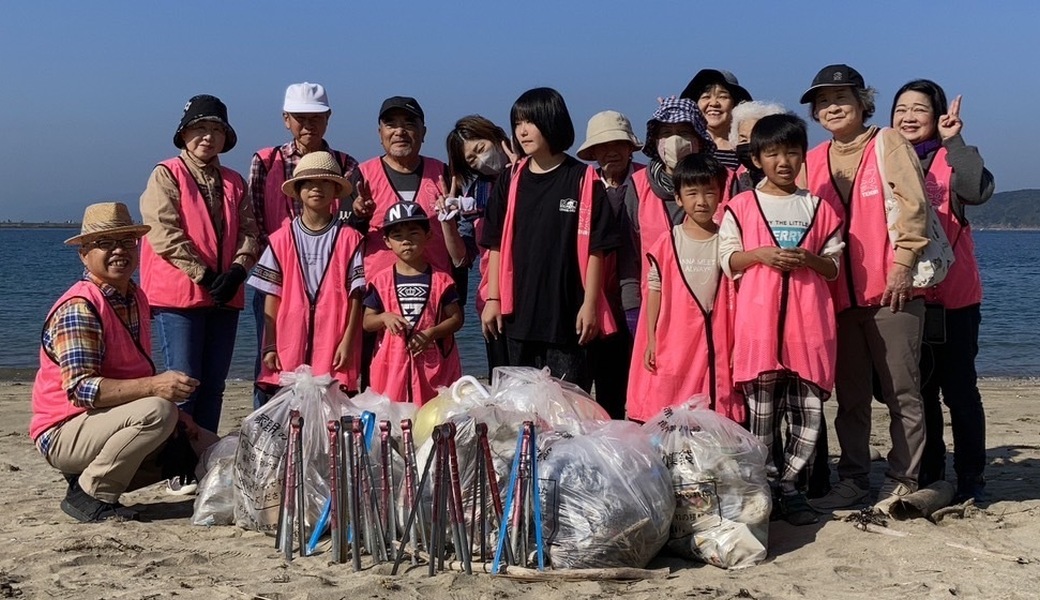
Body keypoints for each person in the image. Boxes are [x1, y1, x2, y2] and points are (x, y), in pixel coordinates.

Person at [800, 65, 931, 511]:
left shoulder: (887, 142)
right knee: (850, 397)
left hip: (892, 290)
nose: (831, 107)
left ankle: (902, 479)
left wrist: (902, 264)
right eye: (822, 102)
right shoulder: (813, 159)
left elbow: (914, 203)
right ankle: (853, 478)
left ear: (862, 103)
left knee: (901, 391)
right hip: (838, 297)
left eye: (841, 98)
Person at [31, 203, 211, 522]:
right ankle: (90, 493)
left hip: (104, 422)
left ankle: (87, 479)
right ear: (84, 254)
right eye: (106, 243)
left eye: (127, 242)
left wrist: (181, 421)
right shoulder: (80, 308)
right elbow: (82, 391)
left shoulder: (135, 296)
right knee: (158, 412)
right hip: (63, 429)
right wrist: (157, 388)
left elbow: (134, 372)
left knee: (205, 443)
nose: (119, 250)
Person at [720, 114, 844, 525]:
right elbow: (729, 259)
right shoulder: (741, 206)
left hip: (809, 327)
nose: (783, 161)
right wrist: (760, 255)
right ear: (756, 158)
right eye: (772, 153)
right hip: (758, 327)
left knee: (807, 415)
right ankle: (767, 486)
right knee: (762, 417)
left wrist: (809, 259)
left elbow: (834, 267)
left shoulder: (818, 208)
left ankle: (790, 486)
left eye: (791, 152)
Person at [891, 79, 994, 502]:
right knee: (921, 392)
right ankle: (932, 469)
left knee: (960, 390)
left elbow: (977, 191)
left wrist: (957, 141)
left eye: (919, 109)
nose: (909, 116)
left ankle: (971, 473)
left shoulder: (950, 160)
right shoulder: (886, 161)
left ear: (936, 118)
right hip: (908, 297)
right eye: (901, 109)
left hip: (954, 297)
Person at [480, 87, 620, 390]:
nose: (522, 131)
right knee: (518, 410)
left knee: (568, 412)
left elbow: (598, 248)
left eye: (530, 122)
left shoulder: (583, 179)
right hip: (518, 315)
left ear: (552, 121)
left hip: (567, 316)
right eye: (518, 123)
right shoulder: (510, 178)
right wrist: (493, 299)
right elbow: (494, 243)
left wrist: (591, 304)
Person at [140, 94, 259, 435]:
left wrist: (238, 270)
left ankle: (202, 455)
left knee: (214, 385)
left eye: (216, 130)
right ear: (184, 133)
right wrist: (203, 275)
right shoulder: (167, 174)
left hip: (225, 297)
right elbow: (163, 233)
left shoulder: (236, 181)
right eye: (200, 128)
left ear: (225, 137)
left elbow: (250, 231)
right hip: (180, 297)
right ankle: (176, 461)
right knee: (182, 382)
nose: (208, 137)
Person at [247, 82, 360, 408]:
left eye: (316, 117)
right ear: (286, 119)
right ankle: (270, 432)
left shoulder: (346, 164)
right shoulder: (266, 161)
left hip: (330, 282)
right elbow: (254, 220)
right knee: (271, 362)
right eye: (299, 118)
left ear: (328, 118)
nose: (307, 125)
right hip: (280, 274)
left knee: (331, 368)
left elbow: (352, 223)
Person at [350, 96, 465, 388]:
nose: (399, 131)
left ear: (424, 133)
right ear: (380, 133)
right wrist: (357, 215)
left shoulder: (444, 174)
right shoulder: (362, 176)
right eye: (391, 124)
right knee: (380, 387)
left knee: (437, 386)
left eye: (409, 124)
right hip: (380, 302)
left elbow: (464, 243)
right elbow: (345, 241)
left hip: (434, 301)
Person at [627, 155, 741, 423]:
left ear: (721, 194)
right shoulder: (668, 242)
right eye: (692, 193)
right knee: (670, 400)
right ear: (678, 198)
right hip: (674, 335)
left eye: (709, 192)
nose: (701, 201)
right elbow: (654, 289)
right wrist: (651, 338)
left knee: (711, 404)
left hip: (716, 337)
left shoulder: (729, 240)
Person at [575, 110, 644, 418]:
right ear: (593, 153)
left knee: (638, 375)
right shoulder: (582, 186)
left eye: (618, 143)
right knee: (594, 379)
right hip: (593, 295)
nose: (611, 151)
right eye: (603, 146)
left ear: (631, 147)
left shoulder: (648, 182)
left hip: (637, 292)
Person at [363, 202, 463, 404]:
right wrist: (384, 317)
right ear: (387, 242)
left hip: (432, 366)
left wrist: (432, 333)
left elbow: (456, 319)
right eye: (398, 236)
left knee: (432, 419)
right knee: (394, 423)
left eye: (414, 234)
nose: (406, 241)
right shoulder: (380, 281)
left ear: (428, 235)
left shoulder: (441, 280)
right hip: (392, 367)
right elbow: (367, 322)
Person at [445, 115, 514, 375]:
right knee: (502, 375)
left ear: (496, 136)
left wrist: (518, 171)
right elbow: (461, 258)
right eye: (472, 159)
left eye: (481, 149)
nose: (481, 160)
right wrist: (448, 221)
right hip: (491, 299)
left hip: (533, 297)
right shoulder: (475, 194)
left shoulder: (534, 172)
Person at [632, 97, 716, 271]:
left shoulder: (725, 181)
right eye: (666, 133)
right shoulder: (638, 185)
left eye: (684, 132)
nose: (675, 140)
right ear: (655, 141)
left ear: (699, 140)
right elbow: (629, 257)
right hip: (655, 294)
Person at [680, 69, 754, 171]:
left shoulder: (745, 146)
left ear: (736, 104)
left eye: (723, 97)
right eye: (706, 97)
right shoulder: (686, 146)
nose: (714, 103)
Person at [728, 101, 788, 193]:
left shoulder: (788, 174)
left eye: (754, 138)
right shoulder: (735, 178)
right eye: (743, 140)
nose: (749, 144)